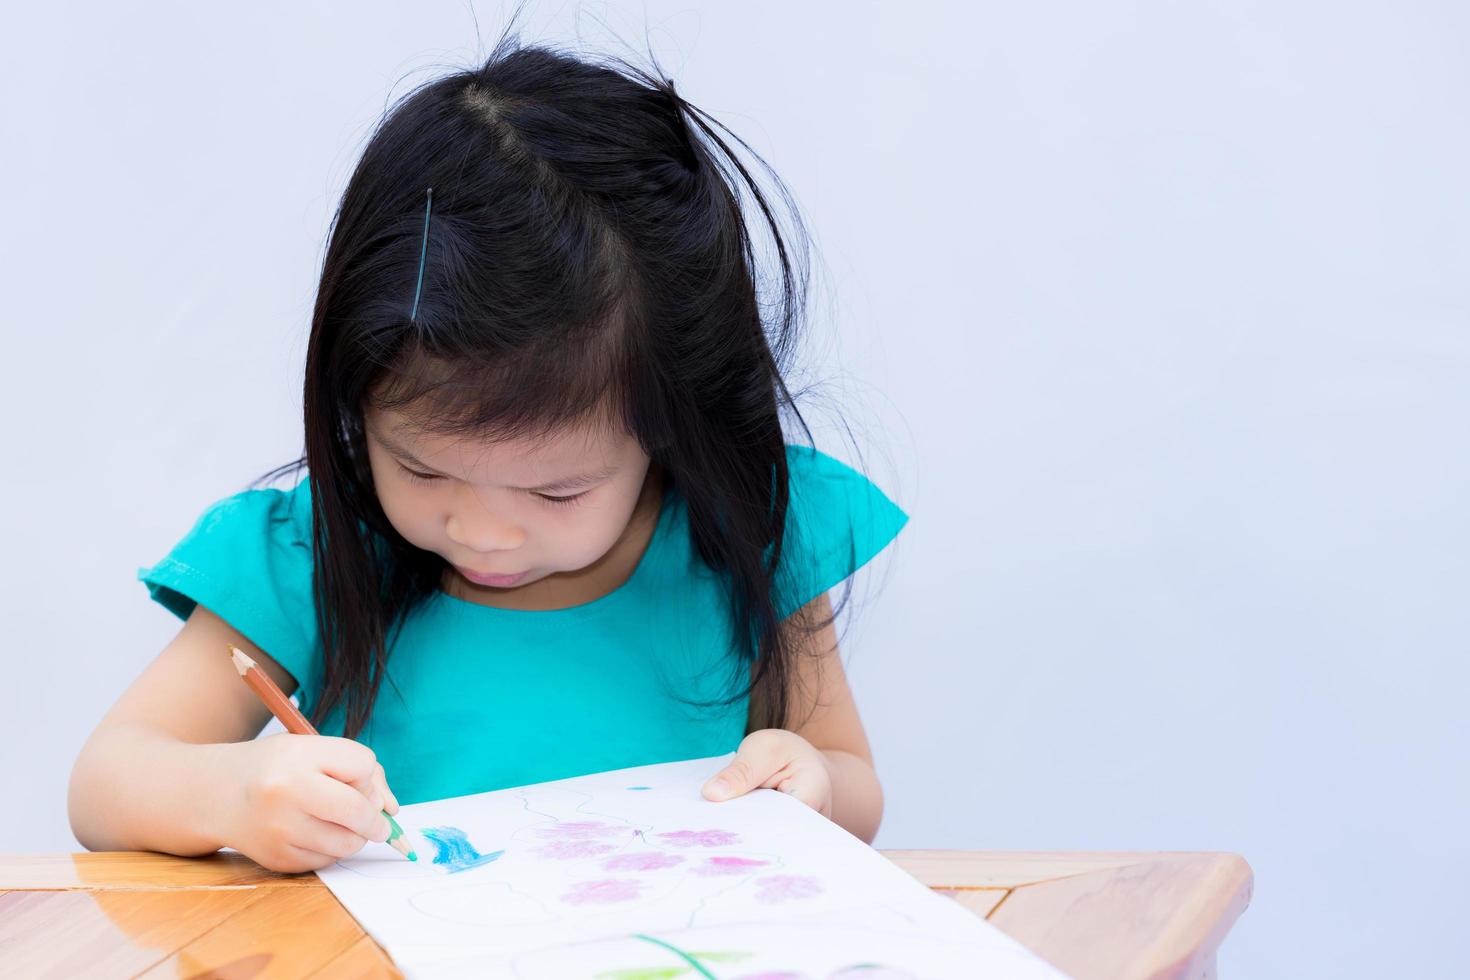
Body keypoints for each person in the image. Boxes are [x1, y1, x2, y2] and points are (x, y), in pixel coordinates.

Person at [68, 30, 907, 874]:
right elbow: (107, 780)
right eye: (422, 469)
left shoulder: (753, 528)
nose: (483, 532)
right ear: (353, 397)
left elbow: (852, 781)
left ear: (669, 423)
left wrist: (815, 786)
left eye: (557, 492)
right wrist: (231, 792)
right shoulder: (309, 556)